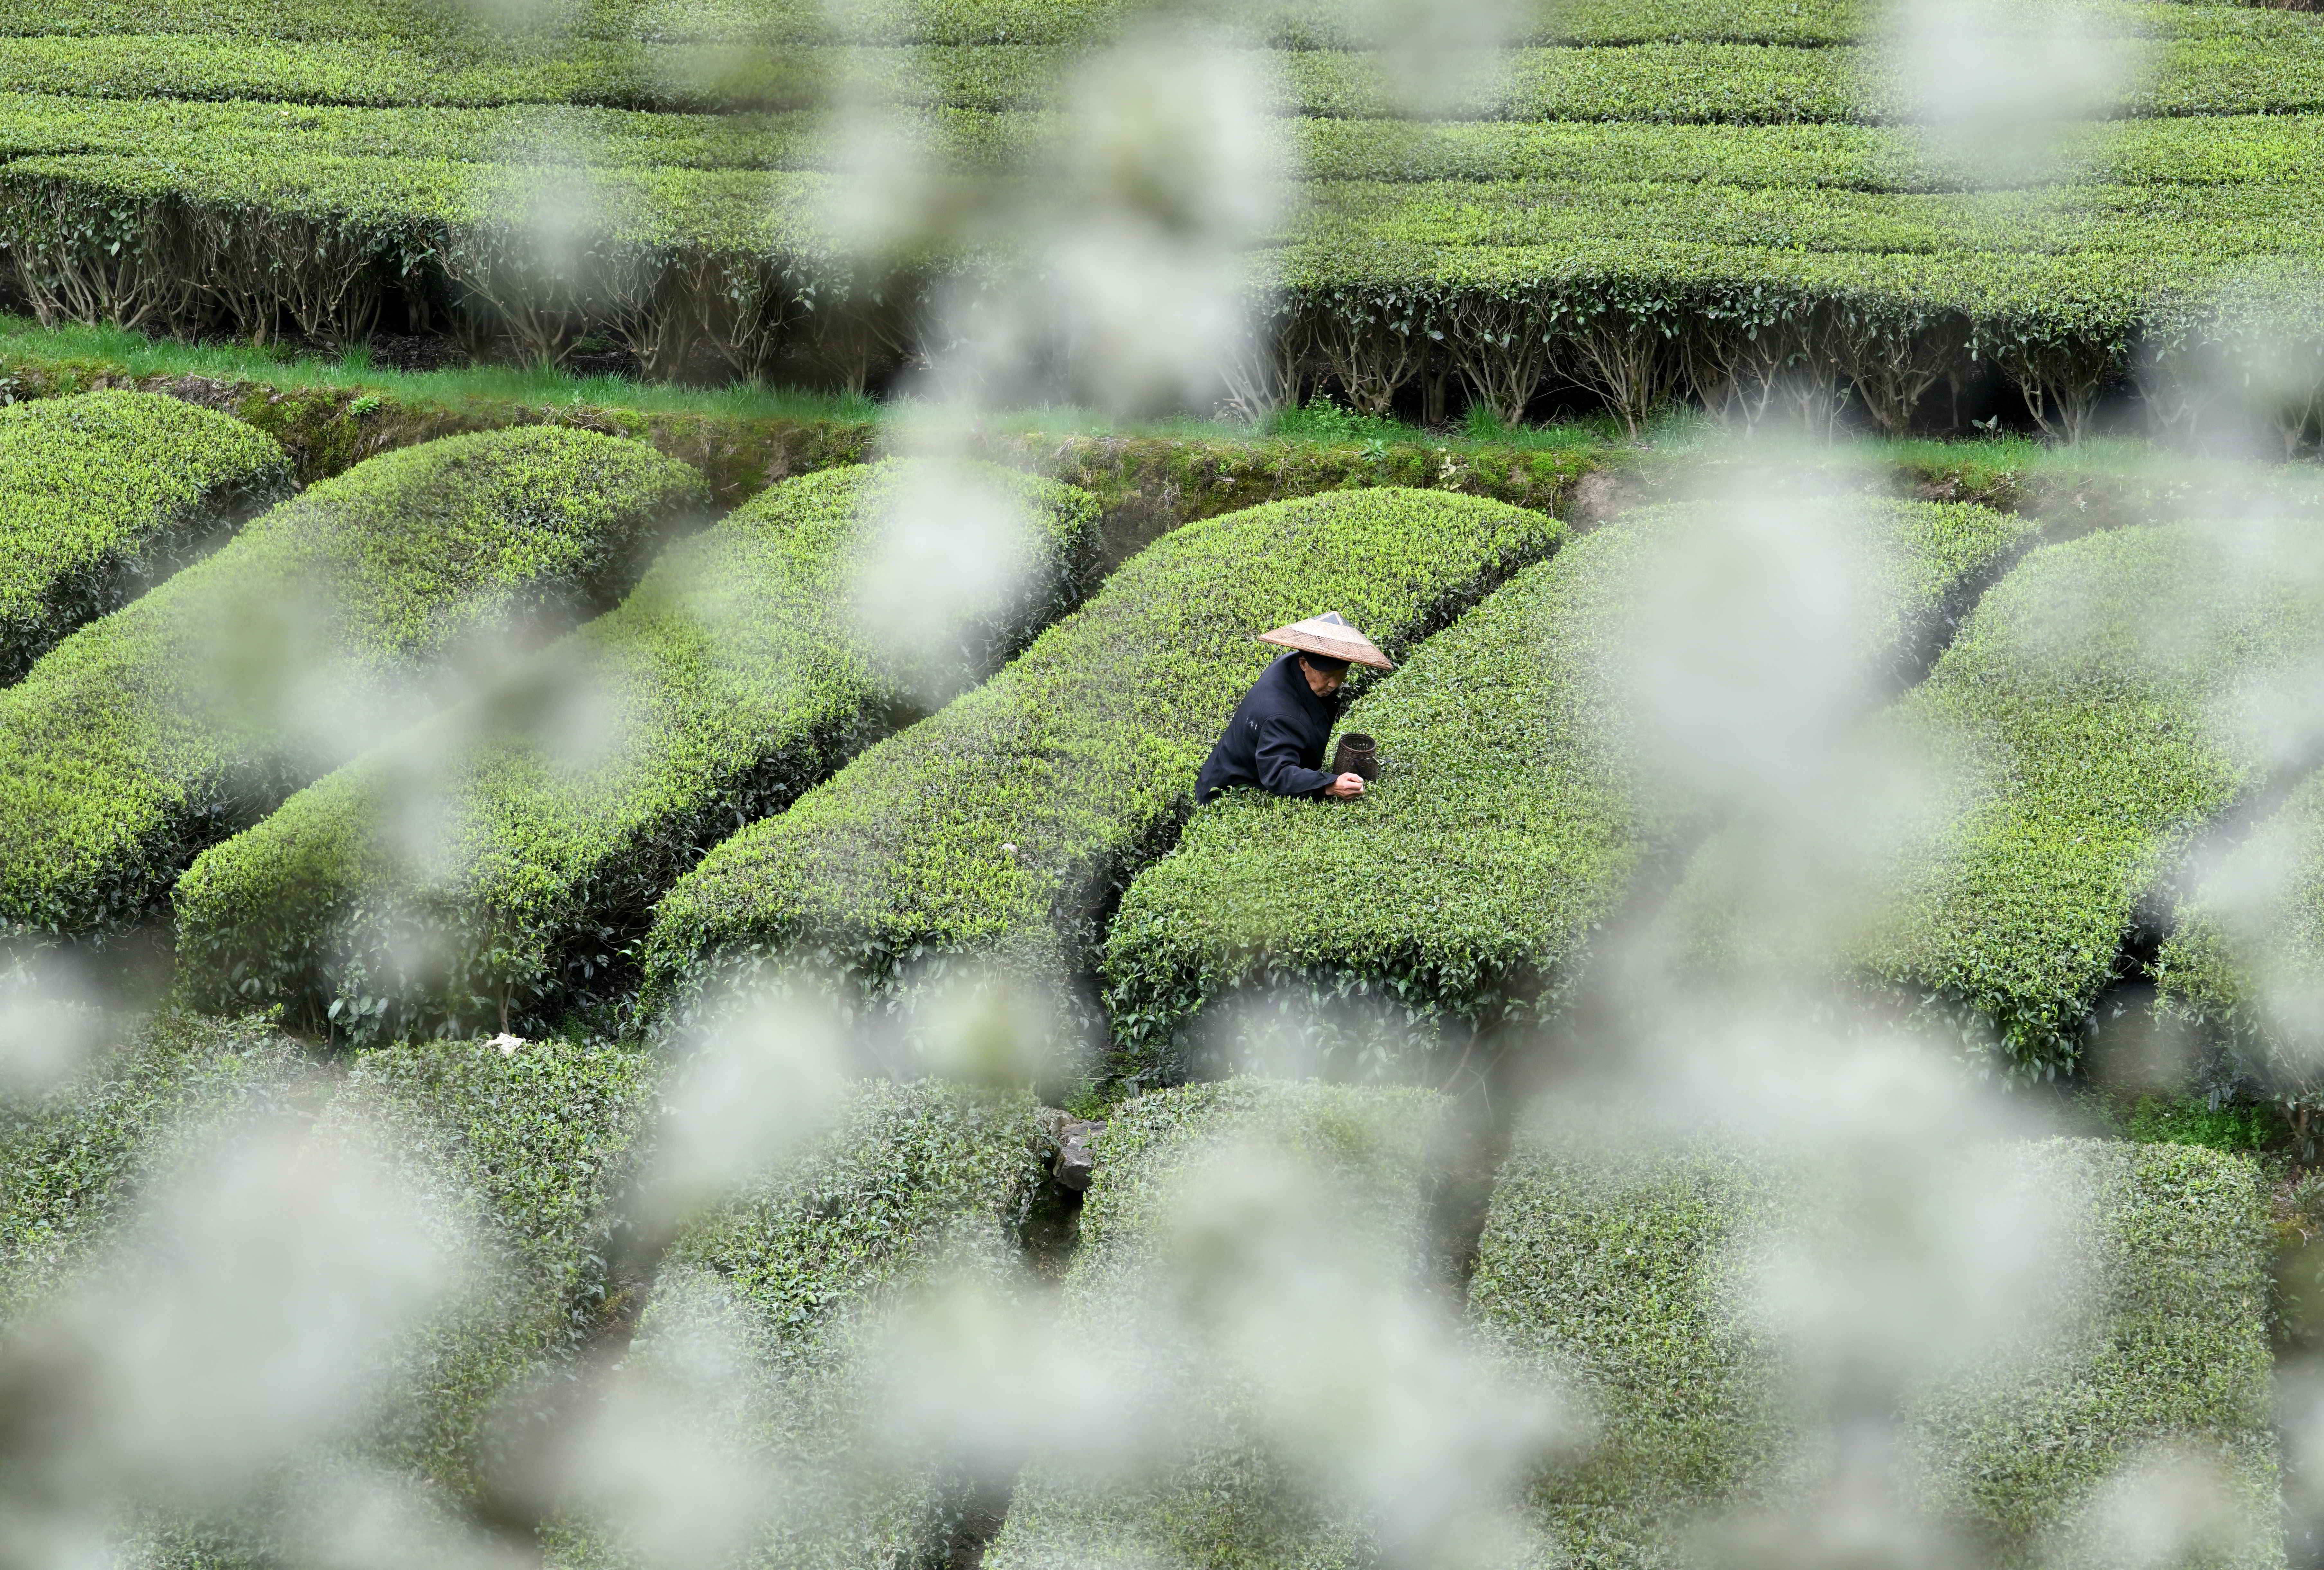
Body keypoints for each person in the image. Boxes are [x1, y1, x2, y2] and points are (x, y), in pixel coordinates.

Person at [1195, 612, 1394, 804]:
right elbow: (1278, 774)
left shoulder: (1289, 664)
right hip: (1228, 792)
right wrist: (1330, 784)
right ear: (1304, 664)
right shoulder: (1281, 716)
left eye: (1341, 674)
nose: (1334, 684)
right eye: (1326, 676)